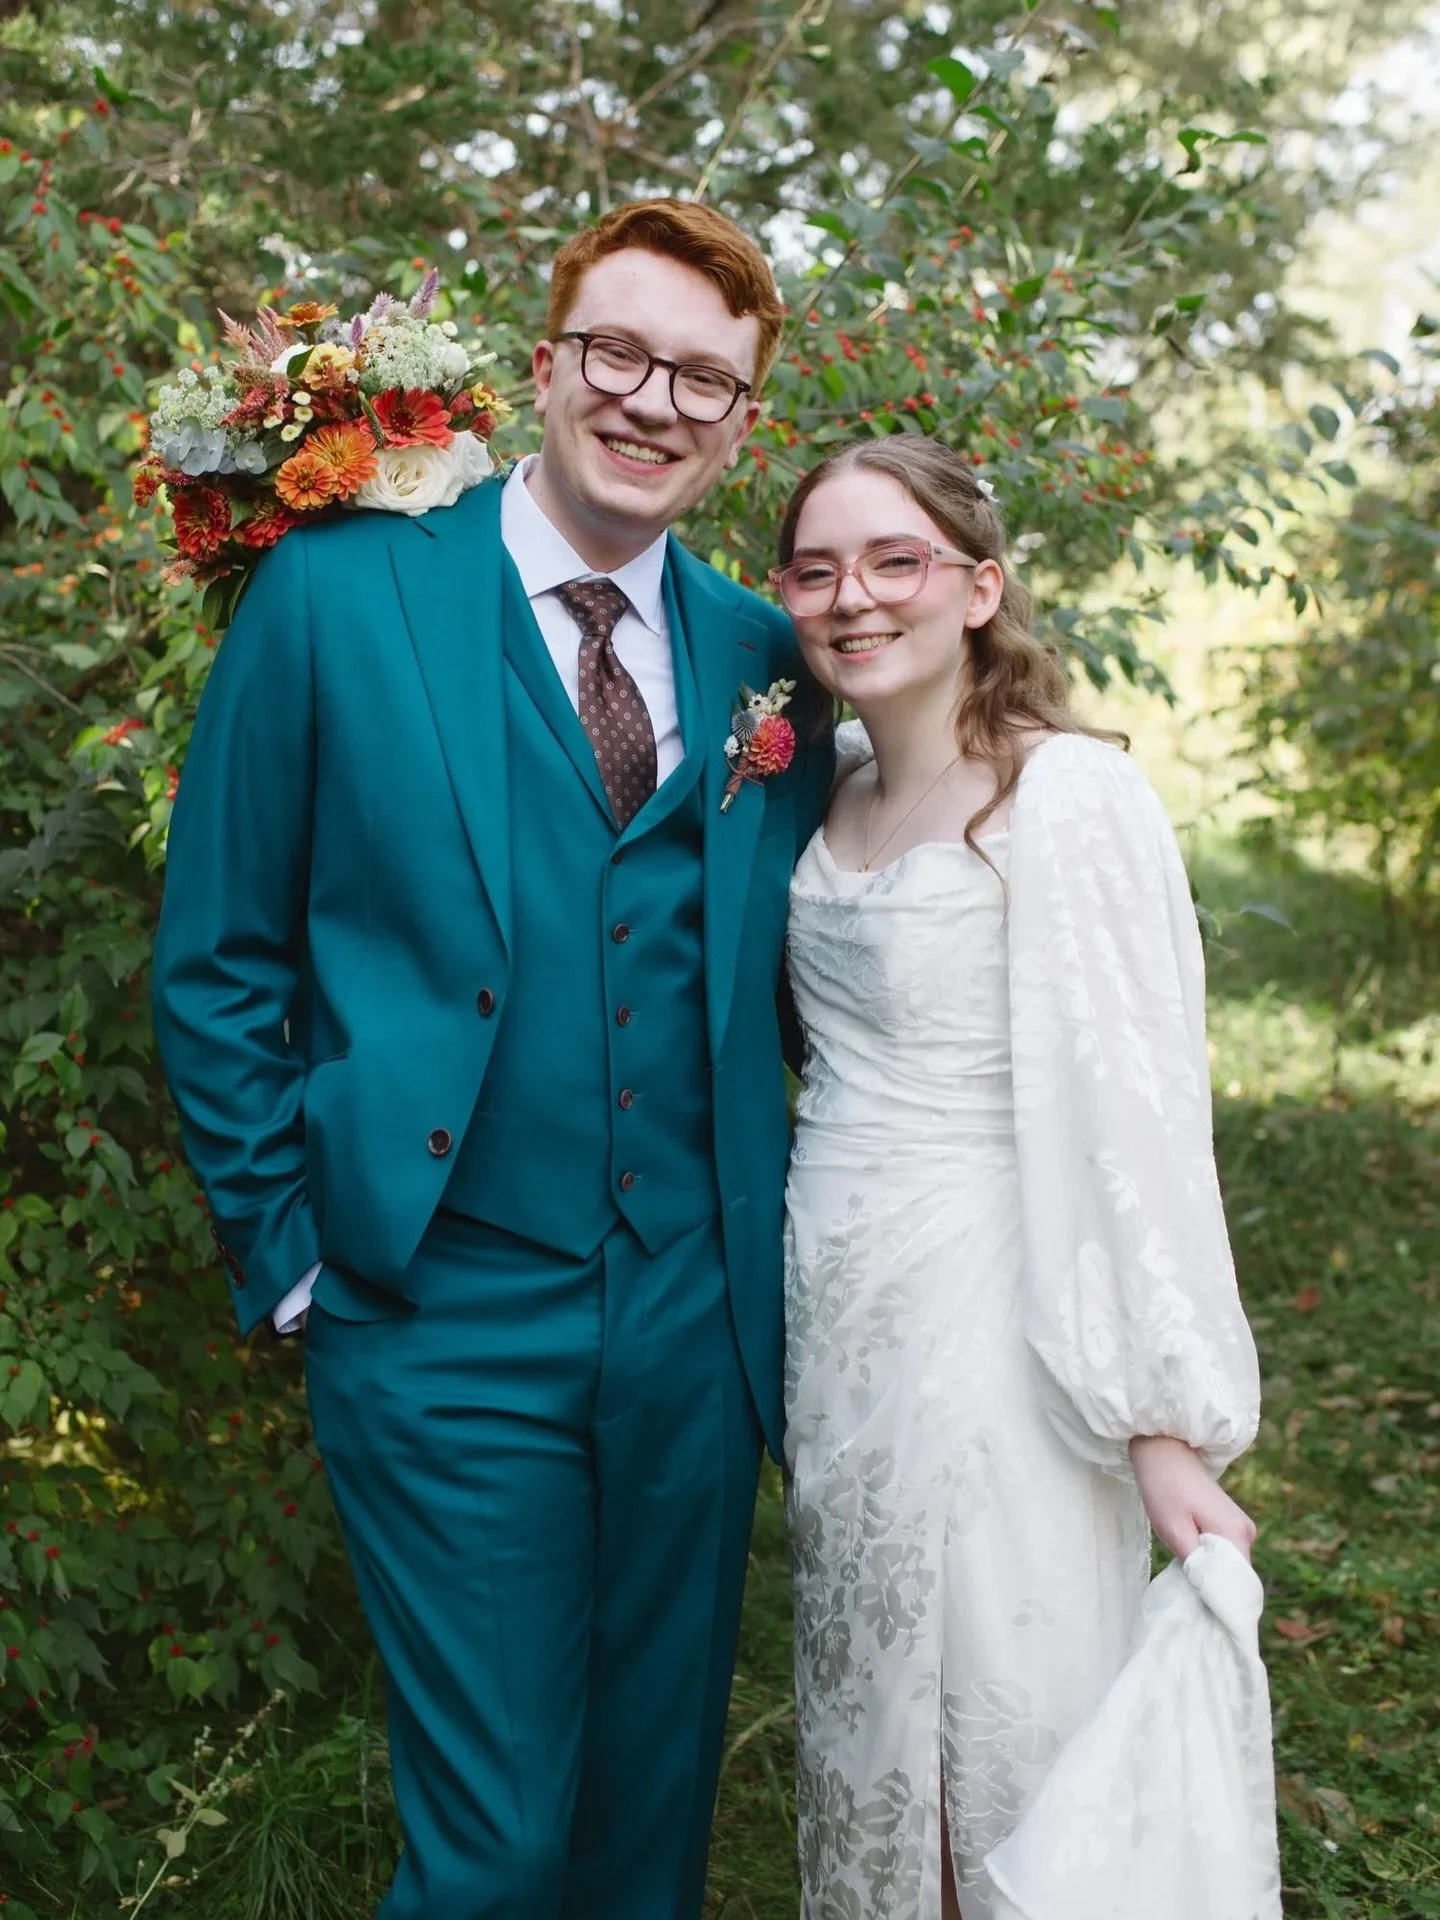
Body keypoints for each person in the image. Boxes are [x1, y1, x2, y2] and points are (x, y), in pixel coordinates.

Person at [152, 198, 833, 1920]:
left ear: (742, 420)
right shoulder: (338, 591)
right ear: (545, 365)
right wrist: (292, 1257)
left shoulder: (767, 659)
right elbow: (220, 958)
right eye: (619, 352)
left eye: (703, 378)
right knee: (497, 1851)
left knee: (643, 1838)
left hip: (692, 1326)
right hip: (433, 1310)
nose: (653, 401)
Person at [772, 436, 1264, 1919]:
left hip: (997, 1315)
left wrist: (1161, 1420)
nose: (854, 597)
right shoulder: (825, 786)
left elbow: (1131, 1109)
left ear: (980, 588)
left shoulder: (1065, 798)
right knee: (870, 1713)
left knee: (987, 1719)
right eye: (816, 569)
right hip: (839, 1323)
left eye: (896, 560)